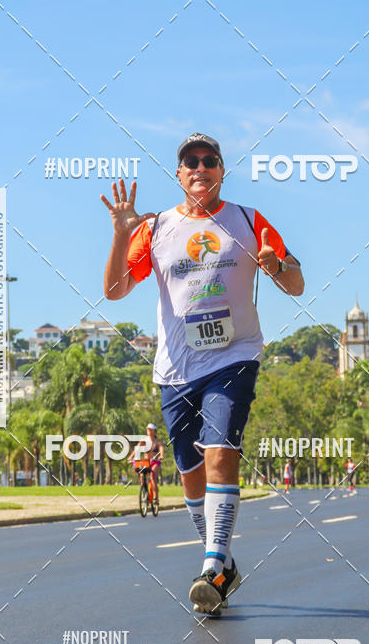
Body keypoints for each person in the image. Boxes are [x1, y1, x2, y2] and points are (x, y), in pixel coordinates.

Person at [102, 133, 304, 614]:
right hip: (176, 368)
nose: (200, 167)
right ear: (179, 174)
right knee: (191, 477)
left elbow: (296, 284)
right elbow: (114, 290)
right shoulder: (156, 228)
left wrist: (276, 265)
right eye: (190, 161)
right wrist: (121, 233)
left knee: (220, 451)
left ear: (221, 171)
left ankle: (212, 567)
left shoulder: (248, 220)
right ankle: (224, 562)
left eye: (210, 160)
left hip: (233, 357)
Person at [145, 423, 164, 500]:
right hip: (146, 462)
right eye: (148, 429)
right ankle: (144, 492)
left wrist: (161, 455)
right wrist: (132, 456)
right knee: (142, 476)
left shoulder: (158, 441)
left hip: (155, 462)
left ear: (154, 431)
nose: (149, 431)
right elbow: (137, 448)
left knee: (152, 477)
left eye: (151, 430)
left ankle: (155, 498)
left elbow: (161, 448)